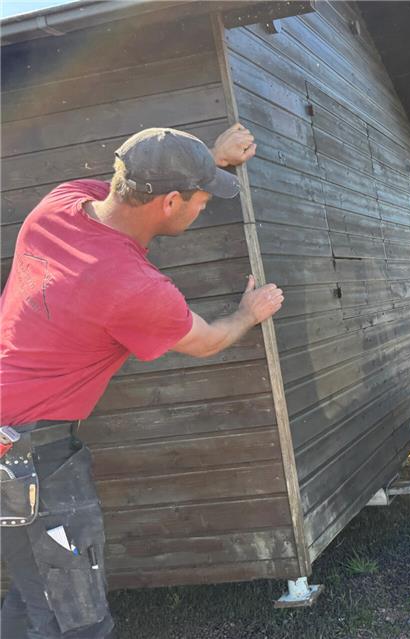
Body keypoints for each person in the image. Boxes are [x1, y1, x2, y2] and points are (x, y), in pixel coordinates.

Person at [0, 124, 283, 638]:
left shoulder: (60, 203)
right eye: (200, 199)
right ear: (171, 201)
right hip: (29, 458)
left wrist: (207, 162)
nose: (203, 209)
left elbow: (136, 190)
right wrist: (247, 312)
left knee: (35, 592)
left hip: (13, 444)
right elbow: (206, 340)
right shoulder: (133, 288)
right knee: (77, 618)